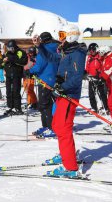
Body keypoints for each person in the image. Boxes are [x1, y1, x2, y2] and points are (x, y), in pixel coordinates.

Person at [40, 24, 87, 178]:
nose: (62, 39)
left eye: (64, 35)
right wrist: (39, 46)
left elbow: (76, 78)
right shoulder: (67, 52)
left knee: (63, 128)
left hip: (69, 95)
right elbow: (51, 58)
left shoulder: (78, 53)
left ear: (71, 36)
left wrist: (62, 88)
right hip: (62, 94)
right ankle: (65, 154)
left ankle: (71, 167)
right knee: (56, 125)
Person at [30, 32, 60, 137]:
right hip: (54, 79)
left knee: (44, 105)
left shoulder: (45, 49)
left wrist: (29, 71)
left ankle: (49, 127)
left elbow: (39, 65)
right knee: (51, 104)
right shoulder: (56, 47)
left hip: (45, 80)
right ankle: (48, 126)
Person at [3, 40, 28, 115]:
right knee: (8, 91)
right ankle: (10, 106)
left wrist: (11, 59)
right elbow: (3, 62)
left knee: (16, 91)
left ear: (14, 47)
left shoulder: (20, 52)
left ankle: (17, 108)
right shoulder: (7, 53)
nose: (10, 50)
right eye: (8, 48)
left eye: (11, 48)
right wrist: (4, 63)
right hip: (8, 74)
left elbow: (23, 62)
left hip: (16, 74)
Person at [85, 43, 109, 113]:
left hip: (99, 78)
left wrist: (101, 75)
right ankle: (94, 108)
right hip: (91, 77)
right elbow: (87, 66)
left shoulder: (100, 57)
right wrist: (86, 72)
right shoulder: (89, 57)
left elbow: (104, 66)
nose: (91, 52)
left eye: (93, 50)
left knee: (101, 94)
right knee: (91, 94)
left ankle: (106, 107)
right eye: (90, 51)